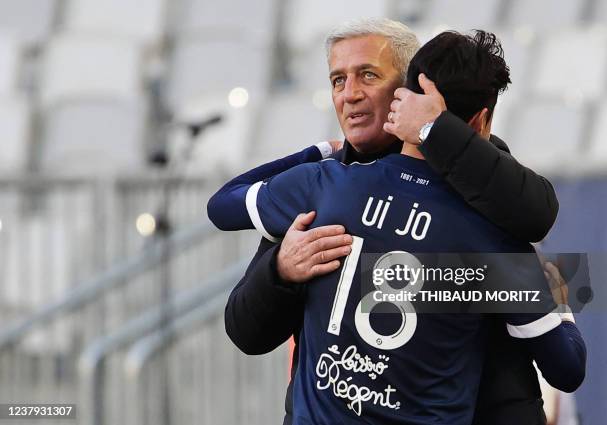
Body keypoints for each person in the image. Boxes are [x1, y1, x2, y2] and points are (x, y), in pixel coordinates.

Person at [207, 30, 585, 424]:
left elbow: (222, 204)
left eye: (368, 75)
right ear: (481, 121)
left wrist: (317, 154)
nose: (350, 94)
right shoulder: (495, 235)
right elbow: (568, 368)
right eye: (338, 79)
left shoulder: (321, 187)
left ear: (403, 96)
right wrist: (553, 284)